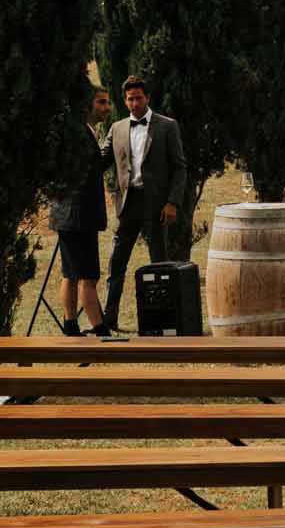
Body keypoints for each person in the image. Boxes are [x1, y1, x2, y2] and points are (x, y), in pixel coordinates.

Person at [104, 73, 188, 330]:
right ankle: (109, 319)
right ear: (125, 100)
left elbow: (179, 168)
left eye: (139, 98)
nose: (134, 103)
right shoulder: (117, 128)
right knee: (116, 264)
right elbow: (100, 160)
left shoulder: (166, 126)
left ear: (148, 98)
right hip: (127, 205)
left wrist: (173, 202)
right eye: (130, 99)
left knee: (159, 266)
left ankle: (163, 320)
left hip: (156, 206)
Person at [49, 82, 113, 337]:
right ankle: (101, 329)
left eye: (108, 102)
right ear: (87, 105)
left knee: (72, 274)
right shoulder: (79, 134)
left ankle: (71, 325)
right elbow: (90, 171)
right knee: (88, 276)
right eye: (101, 103)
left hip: (69, 217)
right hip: (77, 217)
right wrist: (114, 149)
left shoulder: (80, 132)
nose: (107, 108)